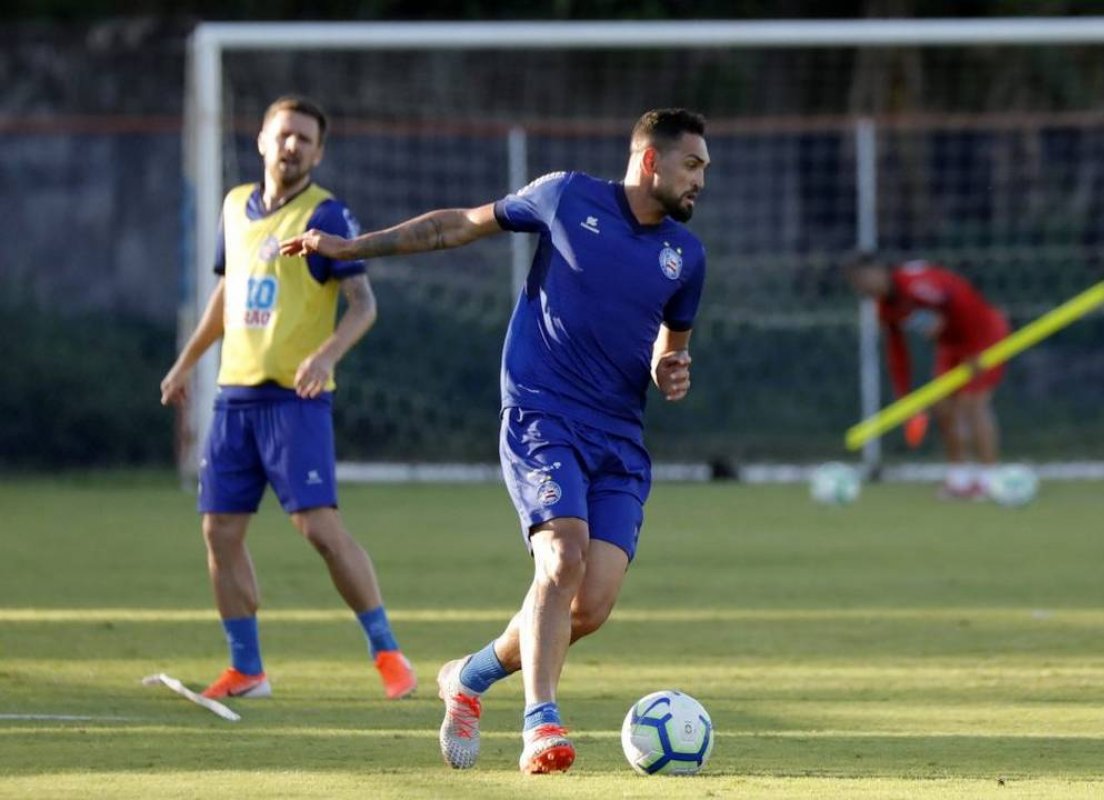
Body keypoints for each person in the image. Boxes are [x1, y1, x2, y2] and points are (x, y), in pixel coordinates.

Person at [281, 108, 709, 773]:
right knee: (560, 560)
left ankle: (469, 678)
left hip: (620, 440)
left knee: (589, 606)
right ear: (650, 160)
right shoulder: (566, 196)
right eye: (693, 164)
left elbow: (668, 348)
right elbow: (457, 225)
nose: (701, 179)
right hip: (543, 416)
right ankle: (542, 723)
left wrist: (668, 368)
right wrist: (348, 250)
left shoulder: (687, 256)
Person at [160, 95, 416, 701]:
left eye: (305, 138)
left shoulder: (325, 214)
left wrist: (326, 354)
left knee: (319, 528)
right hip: (234, 399)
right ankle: (247, 669)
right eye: (284, 134)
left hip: (295, 402)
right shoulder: (232, 207)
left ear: (318, 151)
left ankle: (386, 652)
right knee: (219, 532)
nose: (292, 145)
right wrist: (185, 364)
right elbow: (227, 297)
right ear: (262, 139)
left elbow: (364, 306)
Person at [845, 253, 1010, 499]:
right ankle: (959, 478)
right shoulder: (886, 307)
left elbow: (962, 299)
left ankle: (990, 478)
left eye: (862, 279)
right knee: (943, 407)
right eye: (854, 283)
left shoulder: (915, 285)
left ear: (878, 271)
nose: (860, 287)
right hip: (952, 345)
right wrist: (904, 396)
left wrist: (975, 350)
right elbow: (897, 353)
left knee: (972, 404)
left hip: (983, 335)